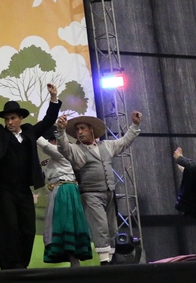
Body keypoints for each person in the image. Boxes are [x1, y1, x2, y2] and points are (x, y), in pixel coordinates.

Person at [0, 85, 61, 270]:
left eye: (13, 118)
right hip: (5, 190)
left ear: (21, 118)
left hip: (24, 190)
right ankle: (9, 267)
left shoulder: (29, 132)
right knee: (9, 227)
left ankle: (22, 266)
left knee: (28, 228)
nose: (9, 122)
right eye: (7, 119)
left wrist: (53, 98)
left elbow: (48, 120)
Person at [53, 111, 141, 264]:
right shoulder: (76, 149)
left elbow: (124, 142)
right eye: (77, 129)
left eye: (83, 128)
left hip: (109, 193)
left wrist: (135, 125)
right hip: (90, 194)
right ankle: (104, 261)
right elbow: (64, 148)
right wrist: (60, 131)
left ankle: (111, 260)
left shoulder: (106, 145)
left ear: (91, 130)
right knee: (100, 227)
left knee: (112, 228)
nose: (79, 132)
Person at [35, 130, 91, 267]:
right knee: (65, 223)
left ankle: (74, 261)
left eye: (50, 140)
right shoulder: (57, 158)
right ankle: (73, 261)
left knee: (65, 222)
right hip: (62, 189)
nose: (49, 143)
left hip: (64, 190)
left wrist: (32, 132)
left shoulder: (63, 152)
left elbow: (46, 146)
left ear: (54, 140)